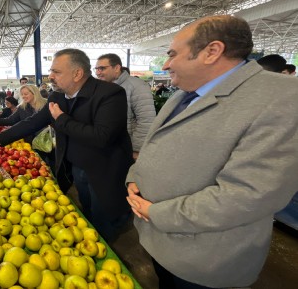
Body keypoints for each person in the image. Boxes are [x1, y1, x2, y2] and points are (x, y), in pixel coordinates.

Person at [126, 15, 298, 289]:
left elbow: (249, 196)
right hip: (161, 242)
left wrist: (157, 213)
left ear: (212, 52)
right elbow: (154, 143)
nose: (167, 64)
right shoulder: (186, 92)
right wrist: (136, 175)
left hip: (204, 260)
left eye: (173, 54)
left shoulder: (282, 99)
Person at [0, 49, 133, 242]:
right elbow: (32, 122)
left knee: (105, 217)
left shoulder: (110, 94)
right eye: (51, 71)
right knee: (87, 209)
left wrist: (62, 119)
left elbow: (102, 137)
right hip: (77, 167)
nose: (50, 76)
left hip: (105, 169)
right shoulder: (57, 96)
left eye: (56, 72)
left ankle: (108, 243)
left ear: (77, 74)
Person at [95, 54, 156, 160]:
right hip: (108, 149)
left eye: (102, 68)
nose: (98, 72)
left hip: (127, 149)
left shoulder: (137, 86)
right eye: (96, 69)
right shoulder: (102, 87)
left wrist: (135, 149)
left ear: (117, 68)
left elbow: (146, 121)